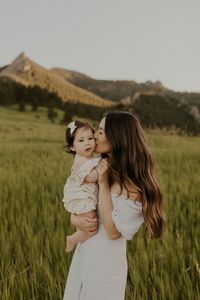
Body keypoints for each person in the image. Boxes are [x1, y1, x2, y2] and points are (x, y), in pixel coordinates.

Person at [63, 111, 165, 300]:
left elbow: (112, 231)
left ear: (116, 137)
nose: (94, 136)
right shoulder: (101, 166)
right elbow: (84, 205)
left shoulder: (133, 185)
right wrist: (74, 218)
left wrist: (103, 184)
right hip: (85, 252)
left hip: (105, 262)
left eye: (100, 131)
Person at [63, 120, 101, 252]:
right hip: (82, 196)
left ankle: (78, 236)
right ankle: (72, 239)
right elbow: (90, 177)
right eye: (81, 140)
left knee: (88, 224)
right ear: (72, 147)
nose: (87, 142)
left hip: (86, 195)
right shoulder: (81, 160)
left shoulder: (89, 158)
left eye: (90, 138)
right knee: (91, 225)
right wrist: (101, 169)